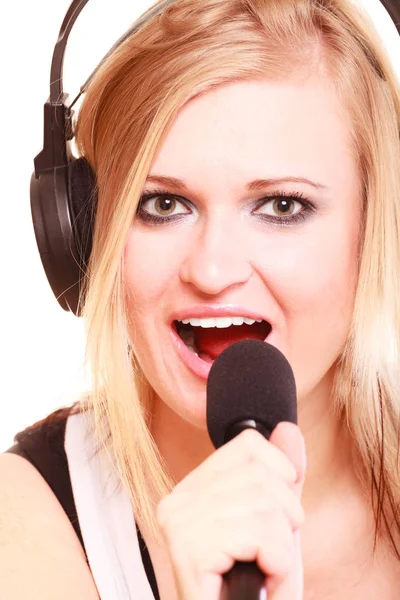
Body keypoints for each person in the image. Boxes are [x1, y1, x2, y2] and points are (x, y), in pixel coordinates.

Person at [2, 0, 400, 597]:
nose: (212, 271)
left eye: (283, 206)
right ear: (82, 233)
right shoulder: (25, 527)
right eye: (162, 204)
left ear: (376, 230)